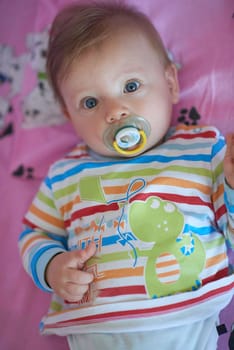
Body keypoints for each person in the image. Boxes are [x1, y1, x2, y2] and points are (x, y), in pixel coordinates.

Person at [19, 1, 234, 349]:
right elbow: (34, 234)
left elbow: (230, 230)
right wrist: (52, 266)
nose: (115, 111)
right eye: (90, 103)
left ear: (171, 83)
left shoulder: (201, 149)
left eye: (131, 86)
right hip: (96, 329)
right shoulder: (65, 175)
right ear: (69, 115)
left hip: (185, 317)